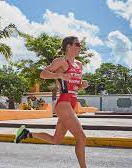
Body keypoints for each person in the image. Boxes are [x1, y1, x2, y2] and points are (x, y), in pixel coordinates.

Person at [14, 36, 89, 168]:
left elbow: (74, 85)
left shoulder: (79, 65)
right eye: (77, 44)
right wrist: (58, 75)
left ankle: (27, 133)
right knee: (81, 137)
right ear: (68, 46)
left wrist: (82, 85)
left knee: (56, 140)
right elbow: (43, 74)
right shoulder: (61, 61)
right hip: (64, 102)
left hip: (72, 101)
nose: (80, 47)